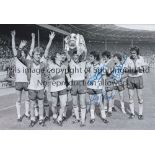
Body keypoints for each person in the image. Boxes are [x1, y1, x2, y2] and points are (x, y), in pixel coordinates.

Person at [17, 32, 55, 127]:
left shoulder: (43, 64)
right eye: (37, 54)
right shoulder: (28, 62)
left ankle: (41, 119)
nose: (38, 56)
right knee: (32, 104)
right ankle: (33, 119)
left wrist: (50, 39)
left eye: (39, 55)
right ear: (33, 55)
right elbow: (18, 56)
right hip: (31, 87)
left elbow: (47, 50)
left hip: (41, 87)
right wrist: (20, 47)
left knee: (41, 104)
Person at [11, 30, 35, 122]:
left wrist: (33, 38)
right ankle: (18, 115)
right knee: (18, 99)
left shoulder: (28, 59)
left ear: (25, 53)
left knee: (27, 99)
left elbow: (32, 48)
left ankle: (26, 113)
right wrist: (13, 37)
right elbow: (13, 48)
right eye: (21, 52)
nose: (22, 53)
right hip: (18, 82)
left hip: (26, 81)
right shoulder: (17, 58)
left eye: (23, 52)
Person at [47, 50, 70, 126]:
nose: (61, 56)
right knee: (54, 105)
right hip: (54, 88)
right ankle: (54, 114)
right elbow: (53, 77)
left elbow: (67, 75)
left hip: (63, 87)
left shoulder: (64, 66)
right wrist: (61, 72)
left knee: (63, 104)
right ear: (55, 57)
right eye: (59, 55)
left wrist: (70, 82)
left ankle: (60, 118)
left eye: (61, 55)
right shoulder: (51, 65)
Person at [65, 49, 87, 127]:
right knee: (74, 103)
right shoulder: (71, 63)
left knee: (82, 102)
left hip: (81, 83)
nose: (75, 57)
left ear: (79, 56)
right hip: (73, 83)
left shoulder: (83, 63)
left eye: (77, 56)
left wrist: (82, 48)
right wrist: (66, 51)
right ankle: (77, 118)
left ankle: (83, 120)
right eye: (74, 56)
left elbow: (85, 52)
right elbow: (67, 56)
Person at [124, 46, 146, 120]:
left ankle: (140, 114)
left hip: (139, 78)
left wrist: (139, 69)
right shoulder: (128, 58)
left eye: (134, 53)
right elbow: (125, 68)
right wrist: (131, 70)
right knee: (130, 97)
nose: (132, 54)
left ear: (137, 53)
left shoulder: (141, 58)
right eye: (131, 53)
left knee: (140, 97)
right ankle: (132, 113)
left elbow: (144, 68)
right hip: (130, 78)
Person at [86, 51, 108, 124]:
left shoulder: (101, 65)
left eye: (91, 56)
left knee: (100, 102)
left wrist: (104, 87)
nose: (90, 58)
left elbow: (104, 76)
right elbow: (87, 75)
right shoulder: (89, 64)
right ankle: (92, 117)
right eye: (90, 56)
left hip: (98, 87)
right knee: (92, 102)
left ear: (95, 57)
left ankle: (104, 117)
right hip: (90, 86)